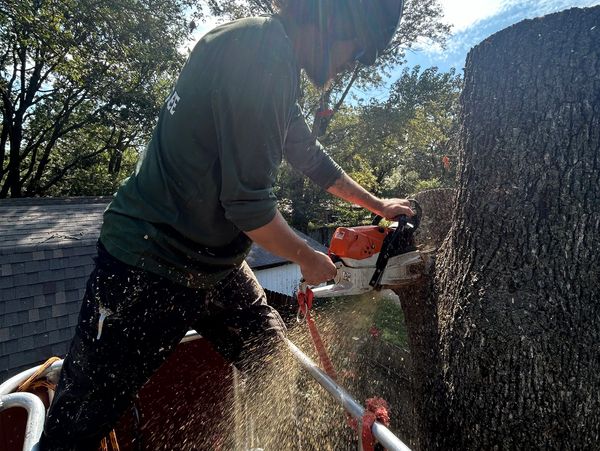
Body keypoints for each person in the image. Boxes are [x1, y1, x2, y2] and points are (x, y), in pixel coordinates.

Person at [40, 0, 411, 449]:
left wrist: (379, 204)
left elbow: (310, 156)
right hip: (146, 265)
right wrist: (307, 257)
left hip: (214, 265)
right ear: (331, 20)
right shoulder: (264, 57)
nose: (352, 63)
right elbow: (248, 207)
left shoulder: (267, 51)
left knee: (271, 359)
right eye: (358, 50)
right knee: (75, 428)